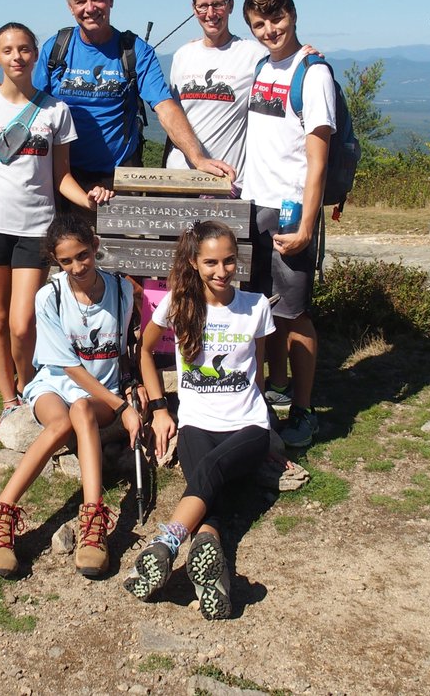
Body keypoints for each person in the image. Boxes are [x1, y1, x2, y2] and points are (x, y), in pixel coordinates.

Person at [0, 22, 113, 438]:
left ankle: (28, 383)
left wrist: (89, 200)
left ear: (35, 55)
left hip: (37, 227)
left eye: (24, 49)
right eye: (8, 50)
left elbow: (60, 176)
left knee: (24, 322)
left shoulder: (55, 112)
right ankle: (9, 399)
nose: (17, 57)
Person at [0, 215, 143, 579]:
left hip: (100, 392)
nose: (78, 266)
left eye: (83, 255)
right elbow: (69, 368)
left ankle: (92, 526)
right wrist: (122, 407)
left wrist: (133, 388)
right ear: (55, 261)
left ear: (95, 247)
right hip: (56, 383)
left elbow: (132, 345)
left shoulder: (122, 290)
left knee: (80, 409)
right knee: (63, 418)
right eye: (67, 261)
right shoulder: (50, 296)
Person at [127, 220, 275, 620]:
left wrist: (271, 431)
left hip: (248, 426)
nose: (221, 271)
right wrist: (159, 407)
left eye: (229, 261)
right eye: (211, 262)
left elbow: (258, 371)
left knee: (207, 472)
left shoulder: (256, 305)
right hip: (196, 423)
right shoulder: (177, 303)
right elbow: (143, 350)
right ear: (194, 262)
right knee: (210, 488)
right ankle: (211, 557)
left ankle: (167, 543)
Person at [33, 0, 234, 197]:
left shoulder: (135, 51)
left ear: (110, 0)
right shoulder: (56, 49)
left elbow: (164, 107)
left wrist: (198, 159)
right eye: (80, 1)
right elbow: (33, 108)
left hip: (119, 177)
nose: (90, 8)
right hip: (64, 176)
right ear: (71, 7)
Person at [240, 0, 335, 449]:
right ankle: (274, 389)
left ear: (293, 14)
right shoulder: (263, 66)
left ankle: (304, 408)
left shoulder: (312, 73)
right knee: (262, 308)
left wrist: (306, 226)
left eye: (276, 19)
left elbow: (317, 158)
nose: (270, 30)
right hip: (253, 204)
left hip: (289, 209)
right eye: (259, 24)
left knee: (295, 313)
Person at [165, 0, 267, 193]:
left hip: (227, 182)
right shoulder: (183, 55)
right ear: (194, 9)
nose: (210, 14)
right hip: (179, 179)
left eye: (217, 5)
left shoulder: (254, 55)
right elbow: (173, 115)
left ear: (230, 5)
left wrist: (303, 55)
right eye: (203, 6)